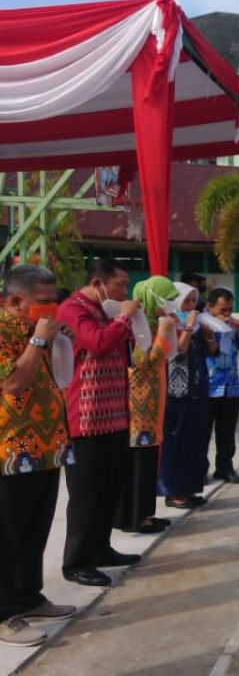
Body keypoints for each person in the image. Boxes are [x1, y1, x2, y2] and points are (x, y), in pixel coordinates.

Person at [0, 266, 76, 645]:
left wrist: (55, 339)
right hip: (10, 450)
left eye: (54, 299)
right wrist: (41, 342)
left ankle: (28, 596)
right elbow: (13, 383)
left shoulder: (38, 329)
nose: (53, 307)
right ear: (15, 301)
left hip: (45, 447)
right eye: (44, 301)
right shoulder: (3, 330)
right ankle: (3, 613)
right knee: (6, 535)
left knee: (34, 530)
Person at [58, 258, 141, 587]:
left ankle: (101, 547)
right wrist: (125, 316)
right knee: (86, 492)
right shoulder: (72, 309)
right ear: (98, 283)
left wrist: (134, 326)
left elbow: (125, 347)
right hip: (87, 416)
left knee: (108, 488)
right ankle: (77, 561)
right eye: (120, 285)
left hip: (115, 412)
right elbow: (98, 342)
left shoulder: (104, 310)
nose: (124, 292)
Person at [117, 277, 181, 534]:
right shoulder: (136, 324)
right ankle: (134, 517)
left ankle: (146, 513)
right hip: (138, 407)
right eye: (166, 299)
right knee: (138, 465)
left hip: (153, 404)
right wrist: (165, 335)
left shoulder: (153, 324)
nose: (170, 306)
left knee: (148, 463)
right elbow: (143, 363)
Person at [158, 282, 210, 509]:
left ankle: (189, 489)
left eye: (193, 300)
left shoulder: (197, 325)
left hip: (197, 390)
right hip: (175, 394)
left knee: (194, 442)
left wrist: (209, 336)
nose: (191, 306)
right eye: (186, 301)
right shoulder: (168, 323)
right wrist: (188, 328)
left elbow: (212, 353)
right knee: (176, 443)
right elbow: (177, 354)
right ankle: (174, 492)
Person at [204, 288, 239, 482]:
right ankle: (201, 469)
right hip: (208, 387)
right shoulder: (203, 325)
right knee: (203, 433)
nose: (226, 313)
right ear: (210, 307)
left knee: (227, 432)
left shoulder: (233, 325)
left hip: (230, 386)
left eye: (230, 309)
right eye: (222, 309)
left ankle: (225, 467)